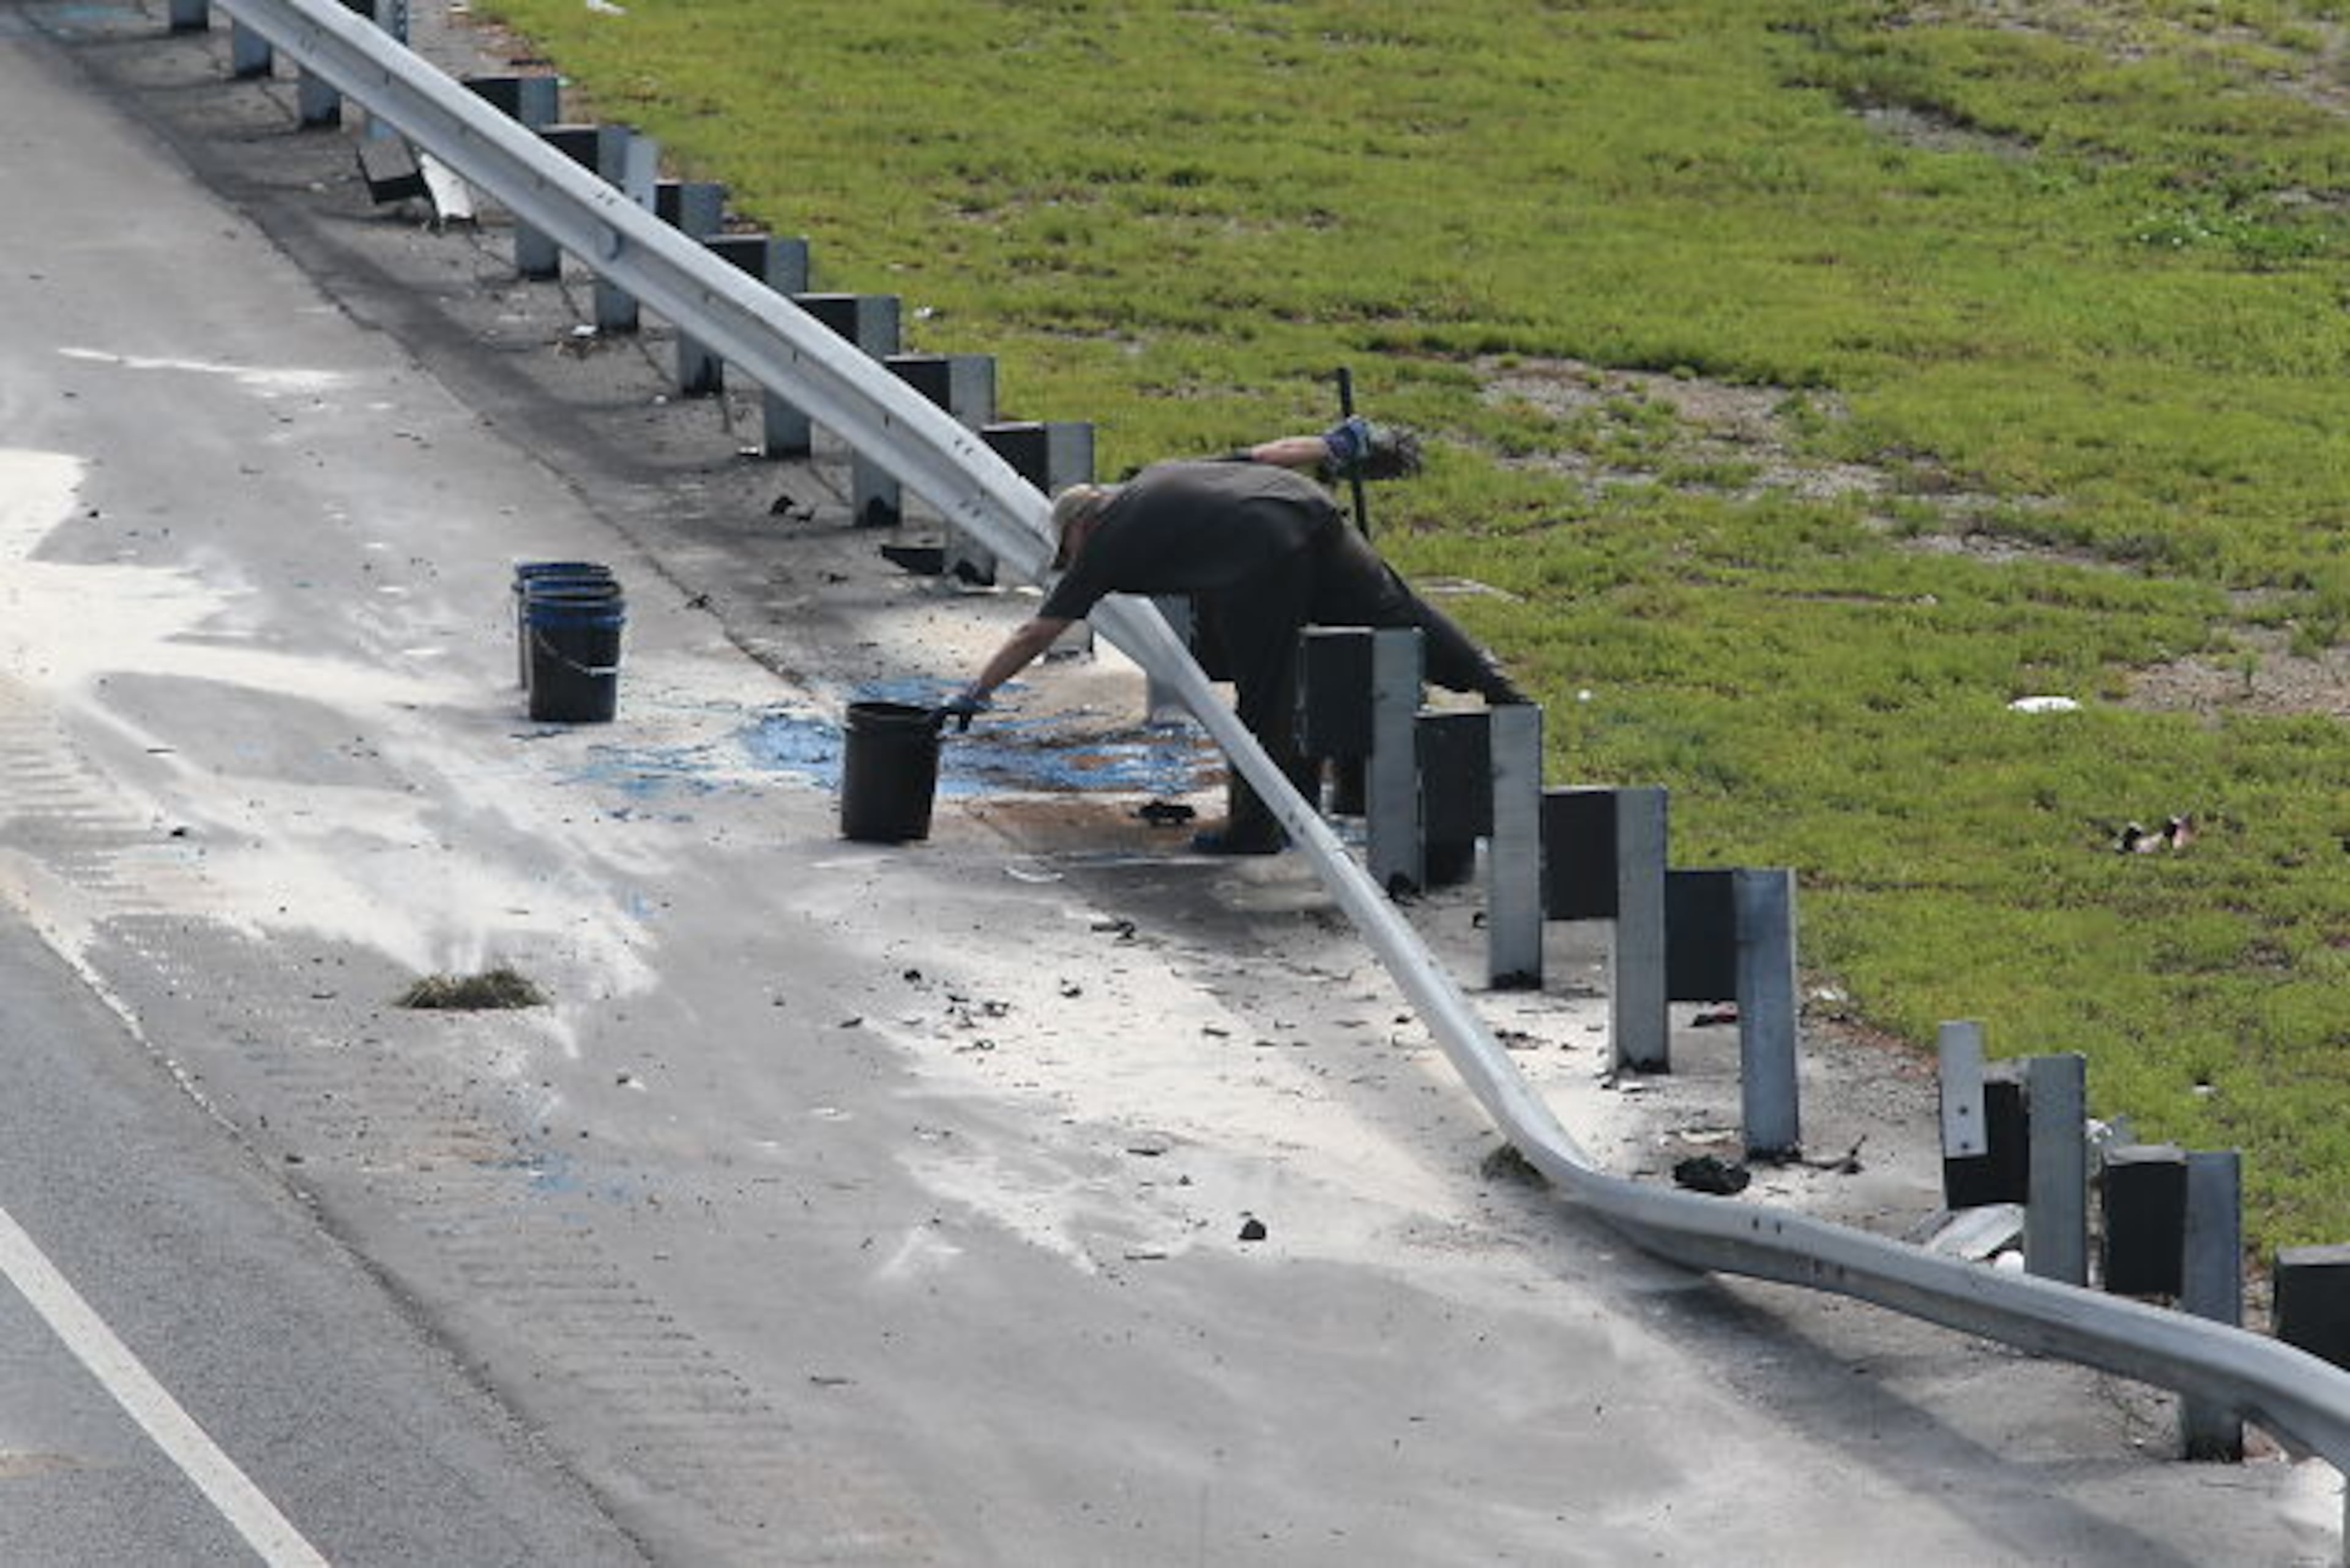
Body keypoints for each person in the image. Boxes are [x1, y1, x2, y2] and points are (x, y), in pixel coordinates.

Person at [942, 430, 1527, 855]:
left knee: (1266, 696)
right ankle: (1495, 683)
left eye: (1068, 551)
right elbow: (1267, 454)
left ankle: (1256, 830)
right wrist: (1335, 446)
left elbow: (1038, 630)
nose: (1074, 563)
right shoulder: (1163, 473)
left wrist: (978, 689)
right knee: (1398, 613)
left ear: (1081, 526)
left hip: (1257, 557)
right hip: (1308, 510)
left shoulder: (1106, 539)